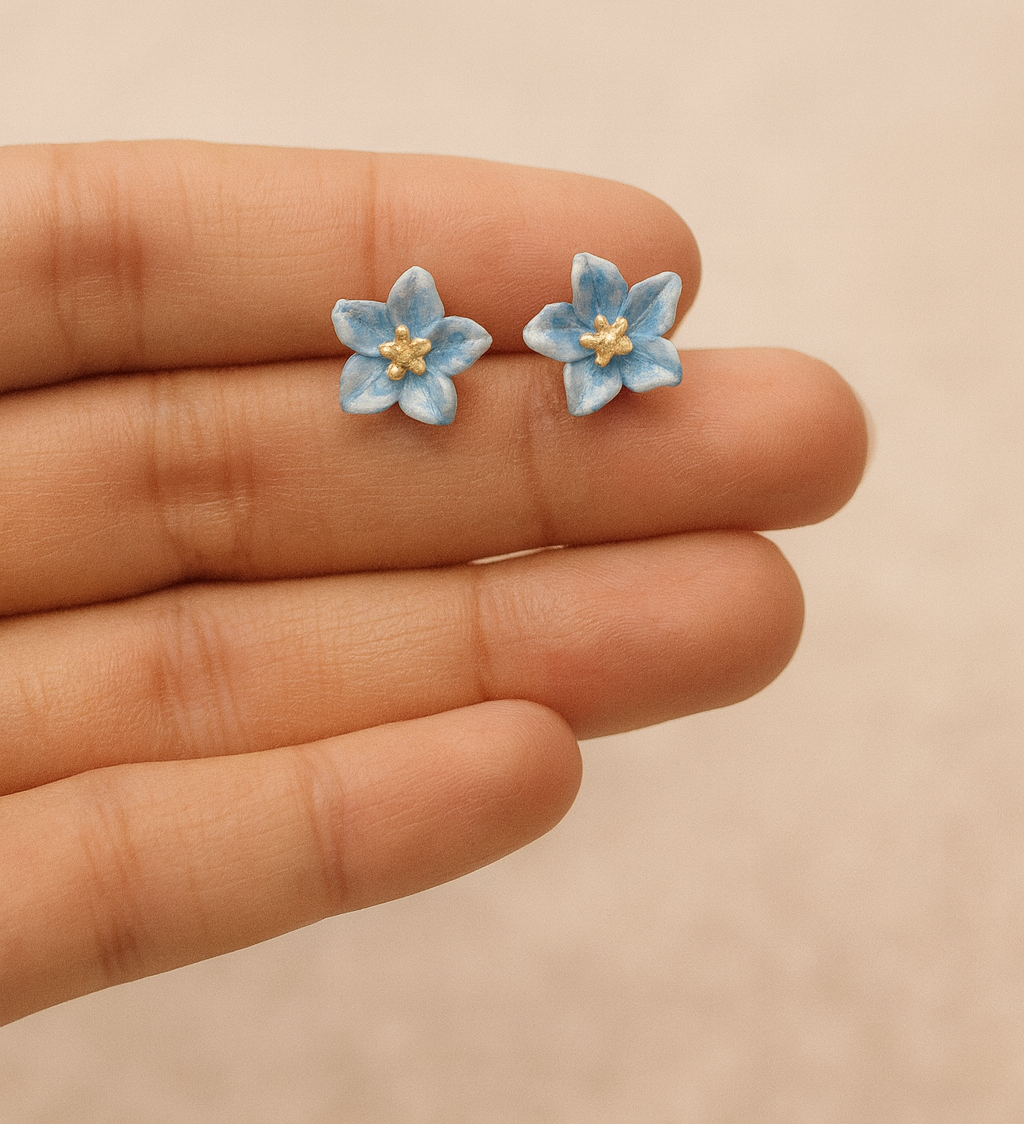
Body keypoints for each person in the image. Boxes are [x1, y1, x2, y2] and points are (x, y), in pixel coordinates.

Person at [0, 141, 868, 1024]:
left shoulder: (545, 352)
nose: (607, 335)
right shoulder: (401, 358)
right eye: (602, 335)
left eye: (613, 335)